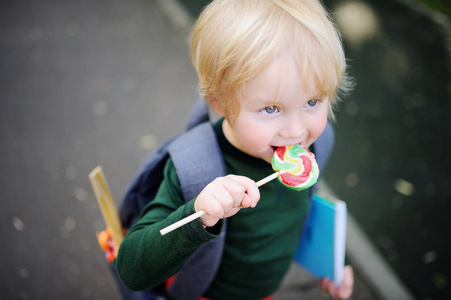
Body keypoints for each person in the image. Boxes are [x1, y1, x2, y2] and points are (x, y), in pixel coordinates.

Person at [117, 0, 354, 299]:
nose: (296, 132)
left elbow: (306, 204)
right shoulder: (193, 169)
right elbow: (130, 269)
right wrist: (199, 214)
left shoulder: (316, 145)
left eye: (312, 102)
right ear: (220, 103)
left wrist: (334, 263)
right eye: (271, 108)